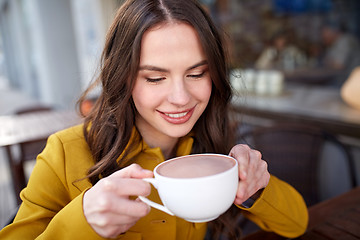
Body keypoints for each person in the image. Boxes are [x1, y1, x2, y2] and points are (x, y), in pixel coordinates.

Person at [0, 0, 308, 239]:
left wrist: (255, 187)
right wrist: (83, 221)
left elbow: (297, 223)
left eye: (197, 73)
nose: (181, 97)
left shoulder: (213, 146)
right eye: (155, 78)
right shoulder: (64, 154)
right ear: (123, 78)